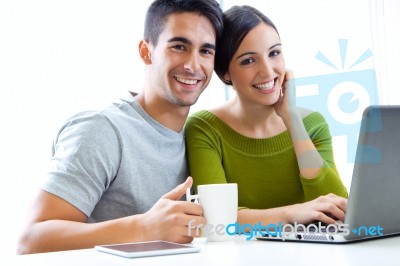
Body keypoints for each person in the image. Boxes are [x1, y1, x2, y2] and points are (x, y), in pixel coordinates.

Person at [17, 0, 223, 254]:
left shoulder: (198, 137)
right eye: (179, 46)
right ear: (146, 51)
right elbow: (31, 240)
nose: (193, 65)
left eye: (206, 51)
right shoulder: (102, 129)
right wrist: (144, 228)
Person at [185, 5, 348, 228]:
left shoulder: (312, 124)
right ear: (225, 73)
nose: (268, 71)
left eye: (274, 53)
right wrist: (293, 213)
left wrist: (292, 120)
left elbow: (339, 208)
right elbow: (218, 218)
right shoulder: (204, 129)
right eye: (248, 60)